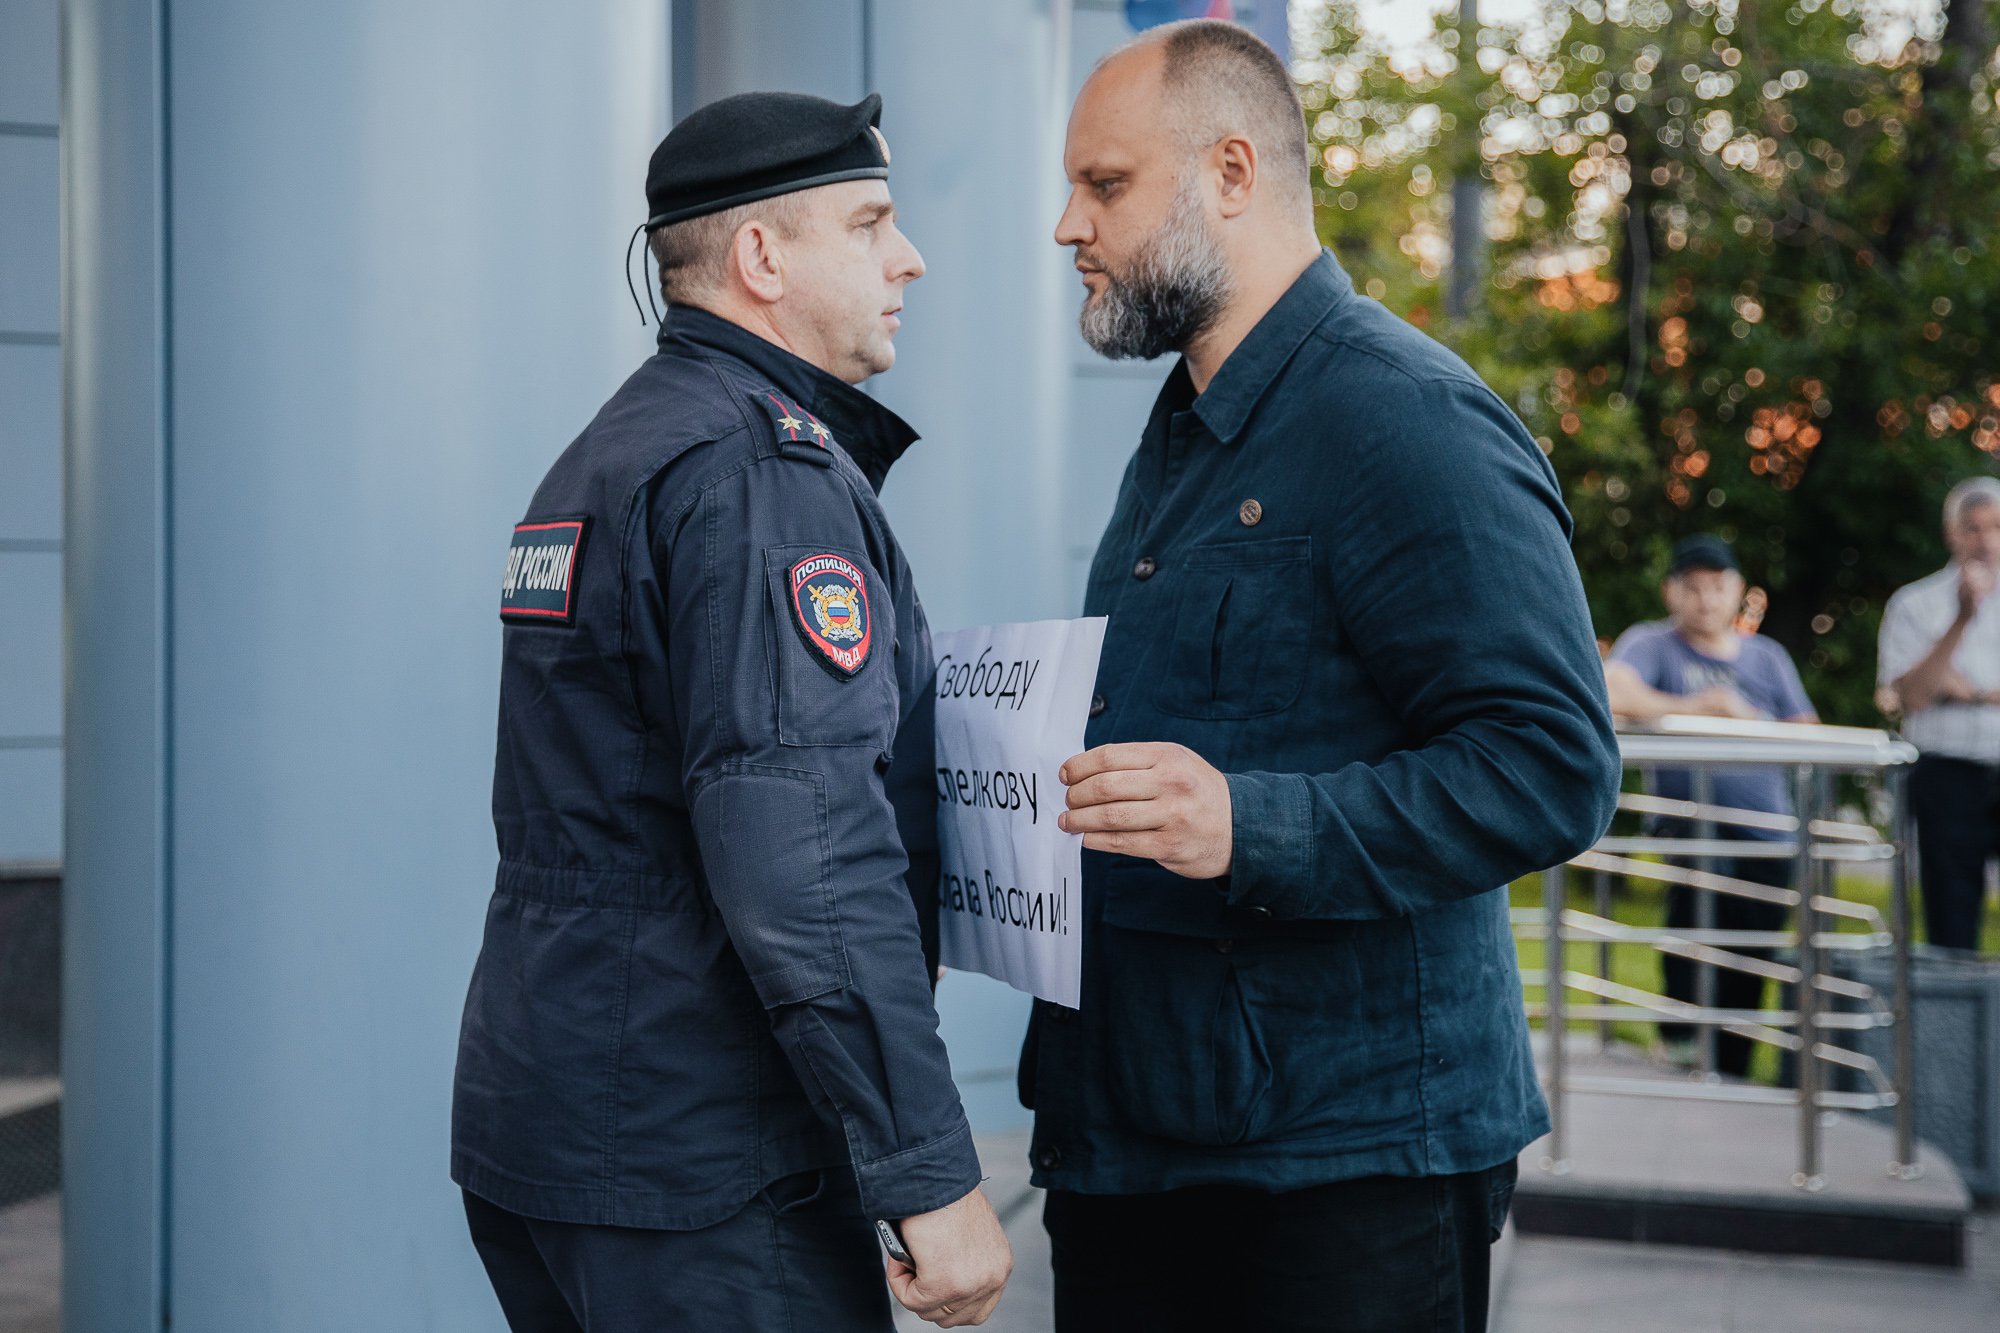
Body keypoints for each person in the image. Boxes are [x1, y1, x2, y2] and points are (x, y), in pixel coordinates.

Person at [1021, 21, 1621, 1333]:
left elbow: (1552, 767)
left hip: (1342, 1184)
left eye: (1105, 184)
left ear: (1230, 172)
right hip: (1145, 1146)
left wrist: (1247, 822)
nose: (1069, 223)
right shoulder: (1182, 432)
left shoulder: (1405, 419)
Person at [450, 91, 1010, 1331]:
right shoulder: (761, 473)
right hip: (700, 1160)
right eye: (868, 222)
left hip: (562, 1118)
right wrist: (928, 1168)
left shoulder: (612, 450)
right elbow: (805, 855)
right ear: (761, 257)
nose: (907, 255)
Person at [1604, 535, 1819, 1076]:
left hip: (1769, 833)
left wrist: (1749, 721)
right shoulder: (1652, 644)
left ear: (1739, 591)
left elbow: (1808, 731)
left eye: (1717, 586)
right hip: (1690, 827)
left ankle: (1733, 1064)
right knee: (1700, 907)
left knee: (1754, 948)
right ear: (1671, 592)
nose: (1705, 599)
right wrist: (1701, 707)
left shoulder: (1767, 657)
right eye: (1692, 587)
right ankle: (1680, 1039)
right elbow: (1612, 693)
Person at [1879, 476, 2000, 952]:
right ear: (1952, 533)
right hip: (1948, 773)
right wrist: (1961, 620)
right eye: (1973, 528)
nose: (1986, 540)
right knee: (1951, 917)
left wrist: (1964, 690)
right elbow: (1912, 696)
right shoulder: (1915, 603)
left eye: (1996, 527)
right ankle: (1956, 1022)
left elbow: (1937, 685)